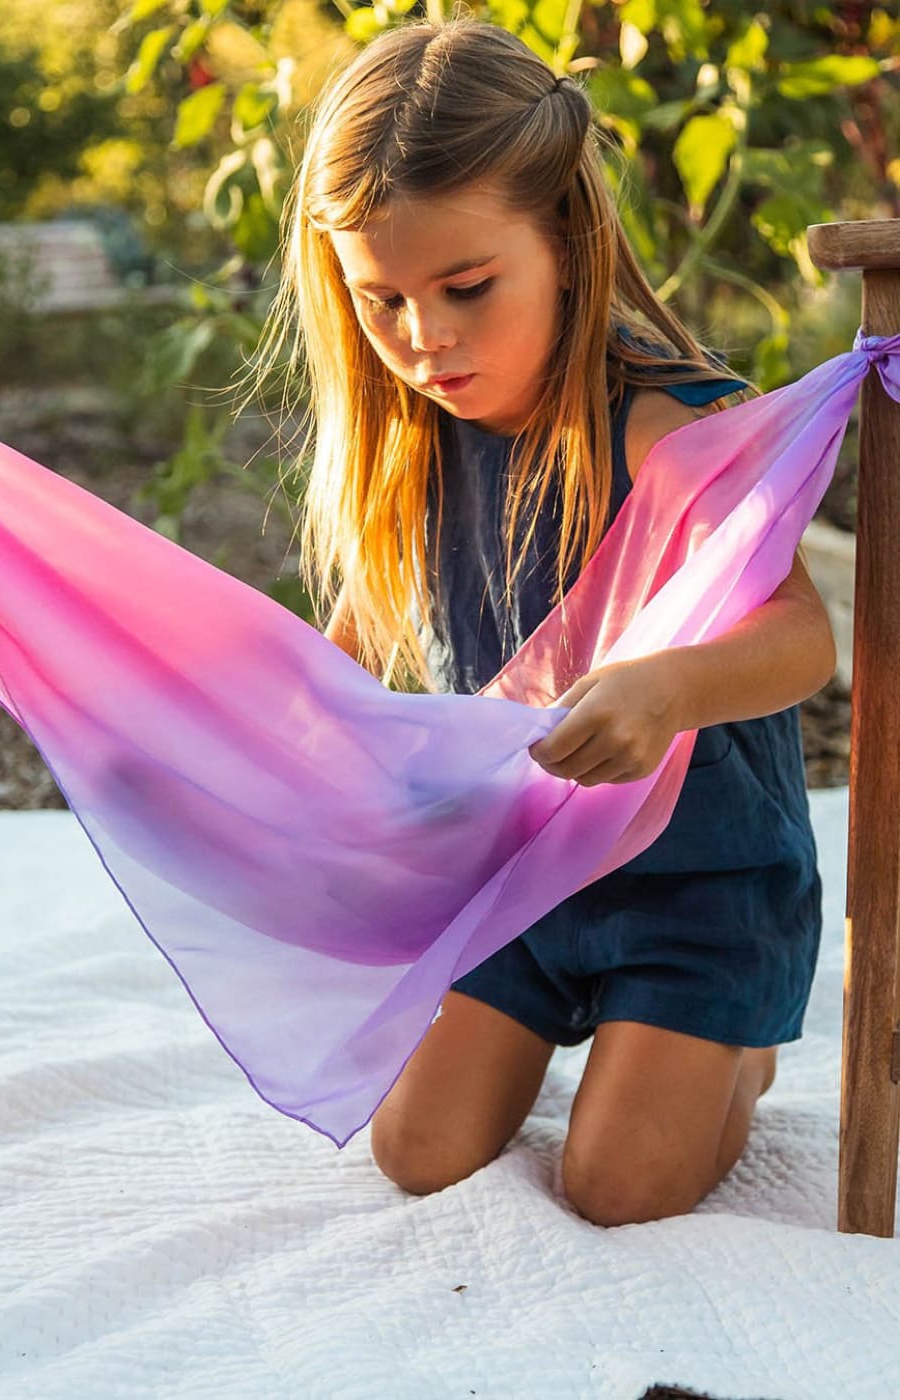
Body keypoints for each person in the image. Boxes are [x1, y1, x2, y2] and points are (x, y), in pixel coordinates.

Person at [260, 18, 837, 1225]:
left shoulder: (663, 425)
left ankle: (738, 1043)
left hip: (698, 884)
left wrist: (671, 688)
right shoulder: (411, 436)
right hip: (519, 876)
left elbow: (806, 639)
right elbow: (359, 636)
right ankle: (613, 1034)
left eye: (467, 287)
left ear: (564, 243)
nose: (426, 338)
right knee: (416, 1150)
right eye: (382, 302)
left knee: (615, 1185)